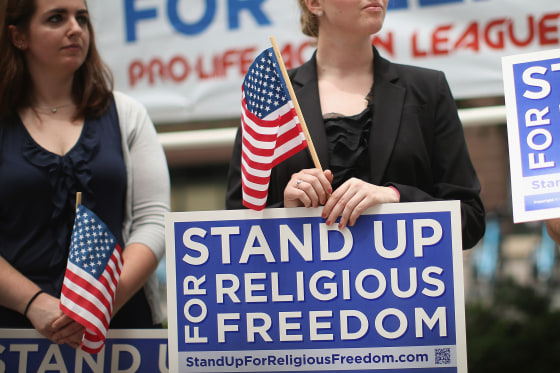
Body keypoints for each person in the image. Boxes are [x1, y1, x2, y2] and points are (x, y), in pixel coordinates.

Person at [226, 0, 485, 250]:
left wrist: (395, 197)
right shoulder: (274, 97)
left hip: (404, 288)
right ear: (314, 3)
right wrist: (287, 211)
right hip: (306, 288)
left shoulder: (428, 90)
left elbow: (470, 222)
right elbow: (233, 232)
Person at [0, 0, 170, 348]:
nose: (75, 28)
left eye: (82, 18)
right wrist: (33, 303)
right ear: (18, 37)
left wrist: (103, 302)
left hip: (119, 325)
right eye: (56, 18)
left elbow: (154, 219)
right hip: (15, 331)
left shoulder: (127, 113)